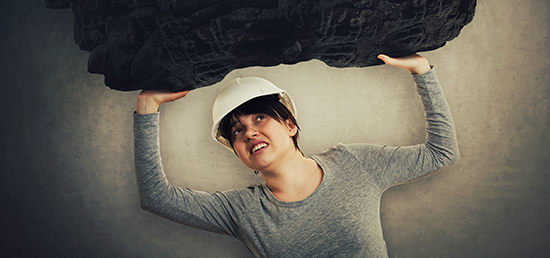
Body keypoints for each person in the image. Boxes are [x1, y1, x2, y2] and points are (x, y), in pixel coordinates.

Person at [134, 53, 459, 257]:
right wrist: (147, 107)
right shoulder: (242, 210)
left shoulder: (354, 164)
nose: (248, 132)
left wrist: (422, 71)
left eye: (259, 117)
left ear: (290, 125)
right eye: (236, 131)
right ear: (238, 153)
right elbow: (157, 198)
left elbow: (441, 153)